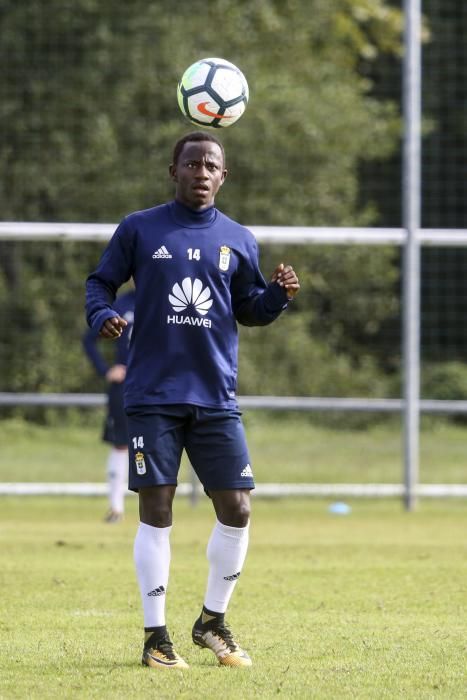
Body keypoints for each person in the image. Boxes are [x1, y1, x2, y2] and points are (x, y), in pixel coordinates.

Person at [85, 131, 300, 670]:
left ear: (223, 177)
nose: (202, 172)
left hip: (214, 396)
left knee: (238, 506)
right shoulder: (139, 228)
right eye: (192, 163)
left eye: (212, 165)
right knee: (156, 510)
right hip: (153, 394)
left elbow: (248, 308)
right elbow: (99, 283)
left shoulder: (238, 239)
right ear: (173, 171)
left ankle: (212, 621)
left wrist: (276, 298)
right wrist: (102, 316)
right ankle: (155, 637)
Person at [82, 289, 135, 523]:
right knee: (121, 444)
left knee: (161, 445)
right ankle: (116, 507)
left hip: (159, 384)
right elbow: (88, 339)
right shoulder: (121, 303)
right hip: (125, 387)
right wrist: (106, 370)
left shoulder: (167, 297)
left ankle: (156, 507)